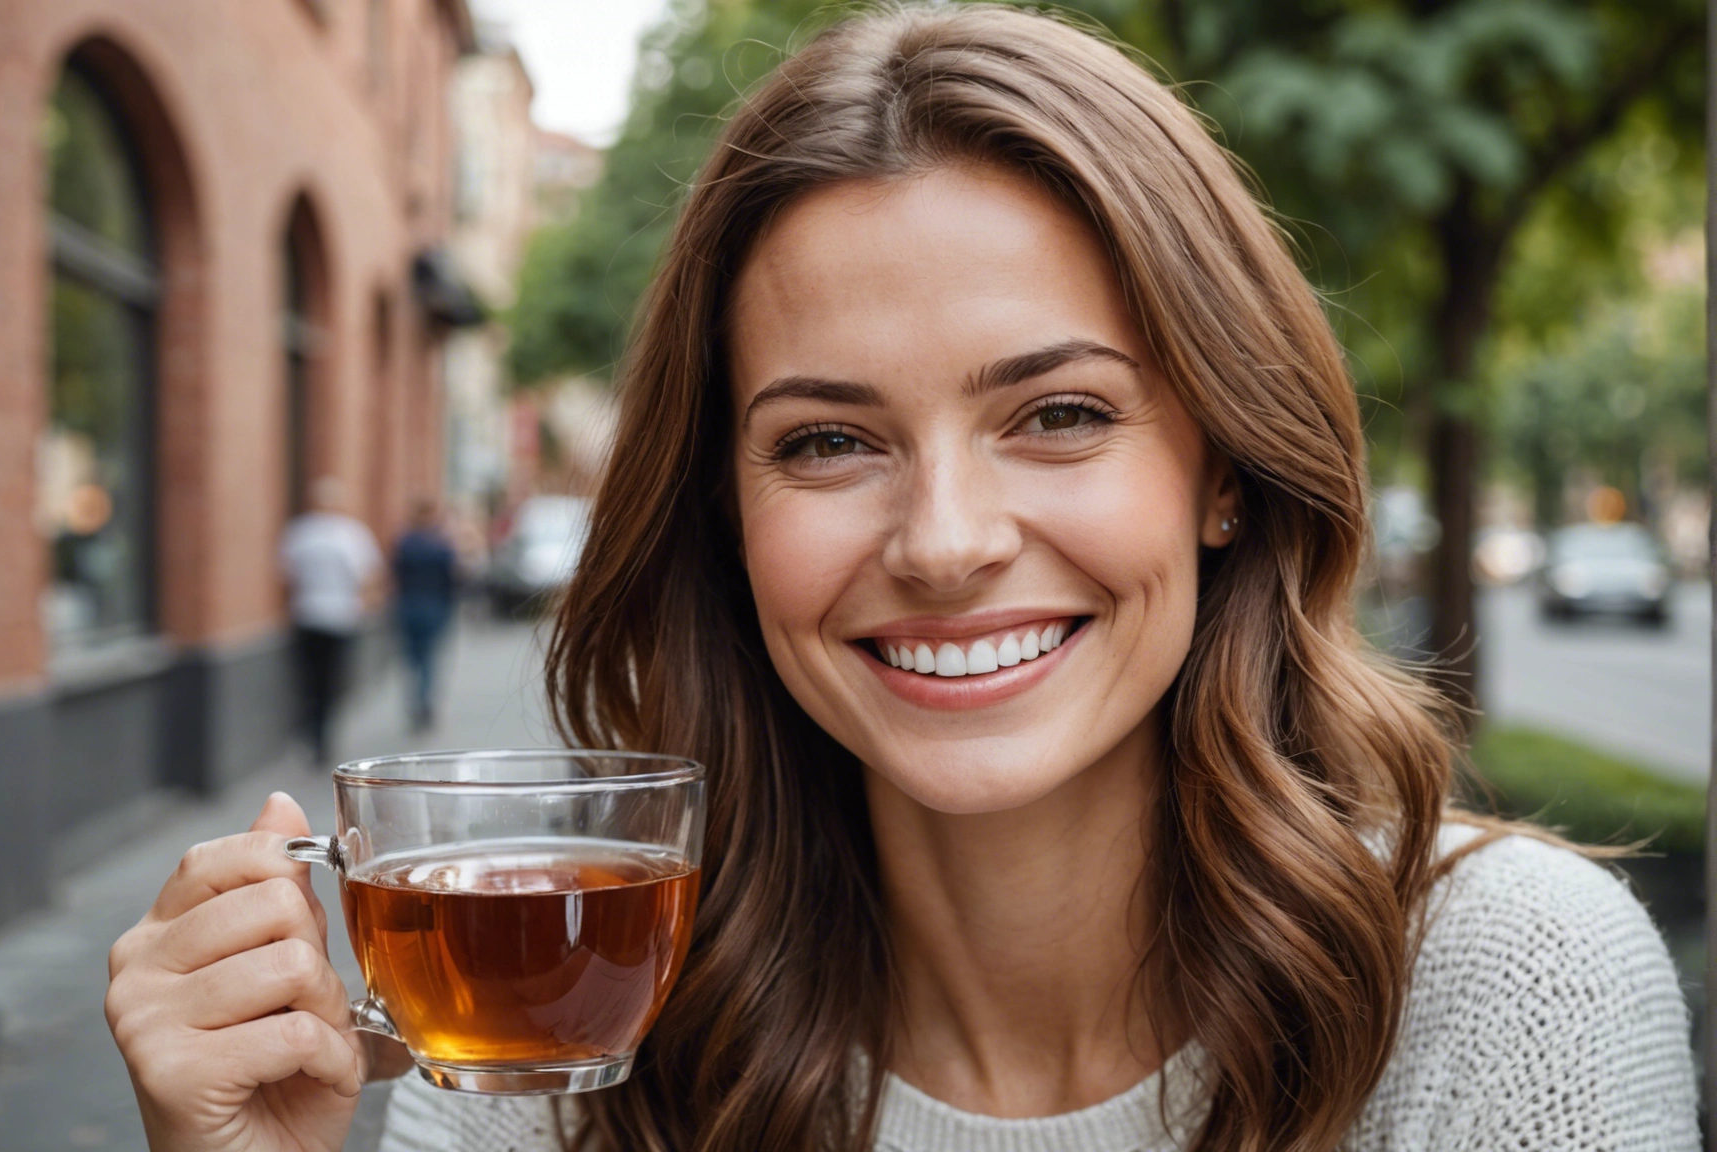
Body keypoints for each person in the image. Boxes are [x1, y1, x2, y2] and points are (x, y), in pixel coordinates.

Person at [103, 7, 1696, 1151]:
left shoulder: (1507, 984)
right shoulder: (565, 1040)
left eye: (1059, 416)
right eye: (825, 444)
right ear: (720, 508)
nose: (943, 540)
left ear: (1223, 471)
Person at [279, 477, 383, 765]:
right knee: (332, 679)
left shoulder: (300, 533)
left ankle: (315, 730)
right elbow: (368, 575)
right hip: (337, 616)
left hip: (310, 614)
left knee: (311, 678)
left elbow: (286, 576)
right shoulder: (349, 534)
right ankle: (321, 733)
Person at [391, 498, 458, 732]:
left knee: (413, 658)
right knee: (428, 657)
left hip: (408, 604)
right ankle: (424, 701)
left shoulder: (404, 543)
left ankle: (417, 700)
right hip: (433, 605)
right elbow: (452, 579)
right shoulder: (440, 545)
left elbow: (395, 573)